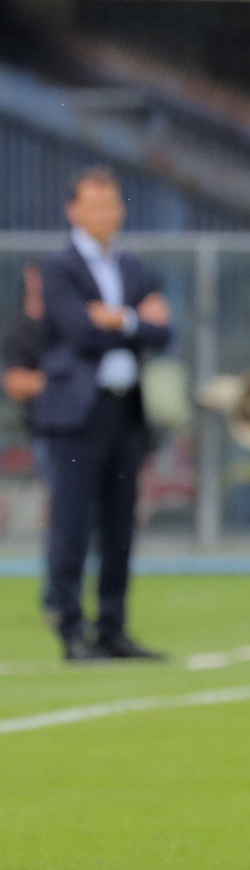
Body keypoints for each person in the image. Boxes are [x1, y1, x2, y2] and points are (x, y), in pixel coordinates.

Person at [36, 169, 172, 662]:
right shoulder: (57, 267)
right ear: (73, 210)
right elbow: (80, 333)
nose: (103, 215)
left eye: (111, 205)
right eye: (93, 206)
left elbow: (163, 333)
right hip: (75, 416)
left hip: (124, 411)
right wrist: (137, 322)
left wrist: (121, 318)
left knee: (120, 525)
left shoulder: (134, 268)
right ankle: (70, 627)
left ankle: (112, 627)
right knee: (71, 523)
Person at [3, 264, 55, 626]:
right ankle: (56, 596)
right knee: (62, 516)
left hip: (85, 430)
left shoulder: (66, 323)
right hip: (47, 432)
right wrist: (66, 381)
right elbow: (17, 383)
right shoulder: (18, 329)